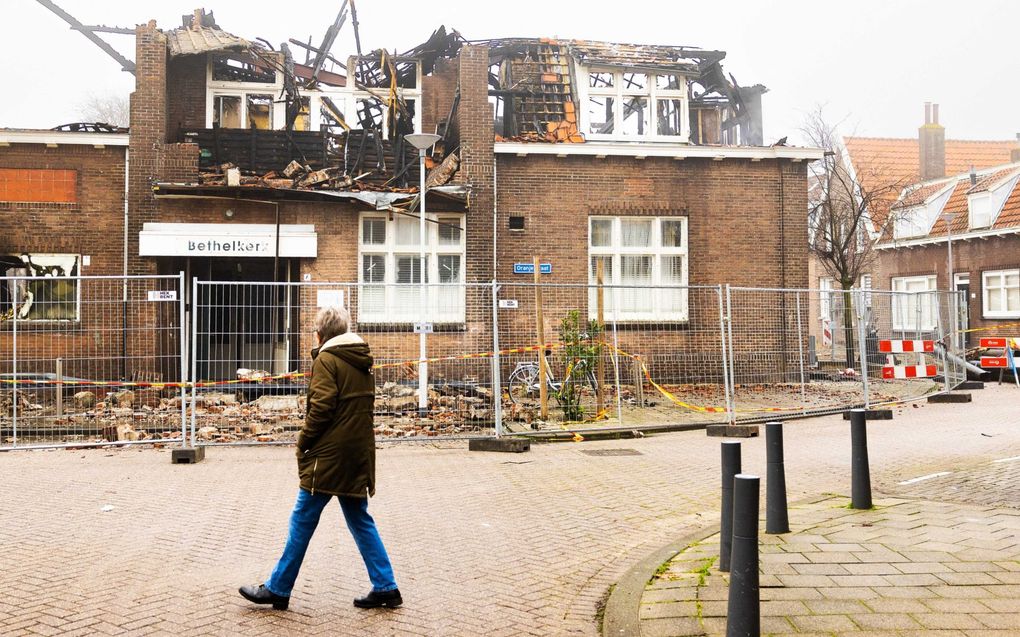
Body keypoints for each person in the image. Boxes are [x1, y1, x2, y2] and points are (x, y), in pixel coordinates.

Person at [239, 306, 401, 611]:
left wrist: (304, 442)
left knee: (302, 519)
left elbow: (323, 407)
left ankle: (278, 588)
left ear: (321, 333)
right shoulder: (361, 360)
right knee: (359, 518)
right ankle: (386, 586)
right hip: (356, 452)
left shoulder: (327, 359)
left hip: (329, 456)